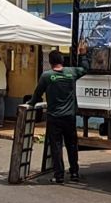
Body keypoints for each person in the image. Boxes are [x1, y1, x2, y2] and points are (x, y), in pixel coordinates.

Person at [28, 42, 89, 184]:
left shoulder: (47, 76)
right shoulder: (71, 73)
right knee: (72, 145)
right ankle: (74, 173)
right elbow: (85, 68)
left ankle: (59, 175)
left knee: (56, 146)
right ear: (62, 61)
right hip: (70, 117)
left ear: (50, 63)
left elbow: (37, 95)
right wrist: (83, 54)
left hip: (54, 117)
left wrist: (30, 104)